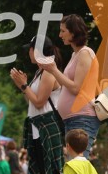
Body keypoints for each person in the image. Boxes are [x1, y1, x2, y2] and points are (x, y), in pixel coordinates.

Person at [11, 35, 64, 174]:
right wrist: (24, 86)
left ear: (39, 51)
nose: (29, 52)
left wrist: (23, 85)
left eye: (31, 48)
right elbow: (33, 101)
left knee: (53, 171)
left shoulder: (49, 72)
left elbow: (40, 101)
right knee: (45, 171)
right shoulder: (39, 72)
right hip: (37, 126)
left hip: (48, 126)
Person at [40, 15, 101, 156]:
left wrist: (54, 70)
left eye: (63, 31)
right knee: (74, 162)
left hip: (82, 118)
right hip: (74, 119)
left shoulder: (85, 53)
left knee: (77, 163)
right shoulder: (76, 54)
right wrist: (52, 70)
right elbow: (66, 84)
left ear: (73, 32)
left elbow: (76, 88)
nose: (60, 35)